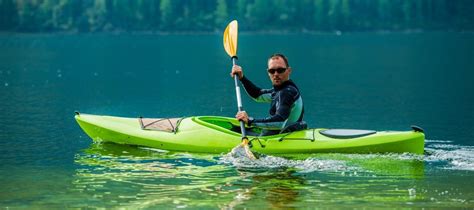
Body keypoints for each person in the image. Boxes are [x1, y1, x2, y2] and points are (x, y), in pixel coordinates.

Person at [230, 53, 305, 136]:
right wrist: (242, 78)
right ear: (268, 72)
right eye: (272, 71)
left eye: (280, 70)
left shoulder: (287, 92)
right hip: (282, 135)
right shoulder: (282, 90)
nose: (276, 74)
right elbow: (258, 95)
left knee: (234, 130)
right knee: (237, 128)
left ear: (289, 70)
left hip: (281, 139)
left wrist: (250, 121)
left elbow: (280, 121)